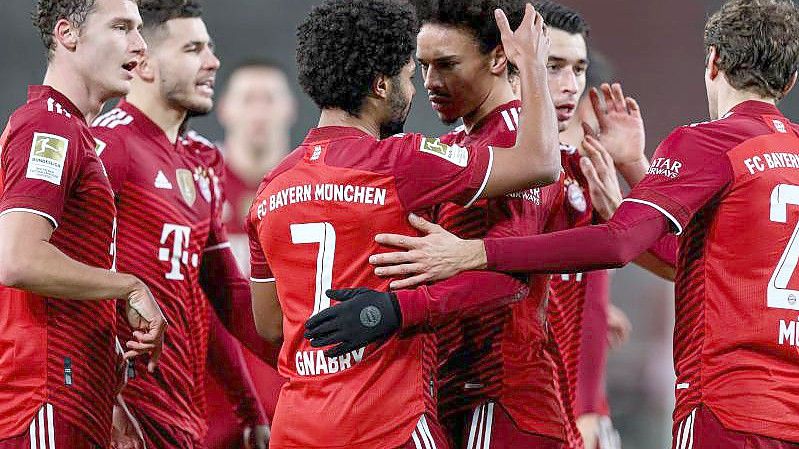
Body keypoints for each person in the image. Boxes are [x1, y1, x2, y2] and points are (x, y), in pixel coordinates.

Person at [369, 1, 799, 447]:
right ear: (789, 80)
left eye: (575, 68)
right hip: (786, 407)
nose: (568, 85)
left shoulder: (697, 144)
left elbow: (611, 251)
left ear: (712, 61)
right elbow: (692, 264)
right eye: (552, 66)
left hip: (719, 401)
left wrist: (469, 257)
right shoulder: (489, 156)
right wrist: (634, 170)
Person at [248, 0, 561, 447]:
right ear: (381, 85)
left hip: (298, 423)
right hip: (391, 420)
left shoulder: (270, 188)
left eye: (443, 65)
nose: (422, 87)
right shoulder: (404, 161)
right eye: (411, 74)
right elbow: (542, 162)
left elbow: (269, 325)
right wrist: (531, 66)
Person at [90, 1, 267, 448]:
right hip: (125, 410)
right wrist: (107, 404)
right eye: (192, 49)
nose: (212, 61)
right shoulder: (107, 145)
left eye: (209, 47)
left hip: (183, 413)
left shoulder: (203, 160)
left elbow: (220, 295)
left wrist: (250, 405)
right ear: (143, 62)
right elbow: (53, 277)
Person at [0, 1, 167, 448]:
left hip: (74, 397)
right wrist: (129, 286)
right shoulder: (47, 127)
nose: (140, 44)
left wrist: (110, 398)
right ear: (67, 34)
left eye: (139, 29)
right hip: (44, 397)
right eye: (121, 27)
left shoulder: (71, 131)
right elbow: (18, 258)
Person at [204, 58, 296, 449]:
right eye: (248, 99)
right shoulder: (196, 181)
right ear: (224, 107)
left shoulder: (311, 186)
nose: (259, 111)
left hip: (291, 397)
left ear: (291, 106)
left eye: (269, 98)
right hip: (209, 403)